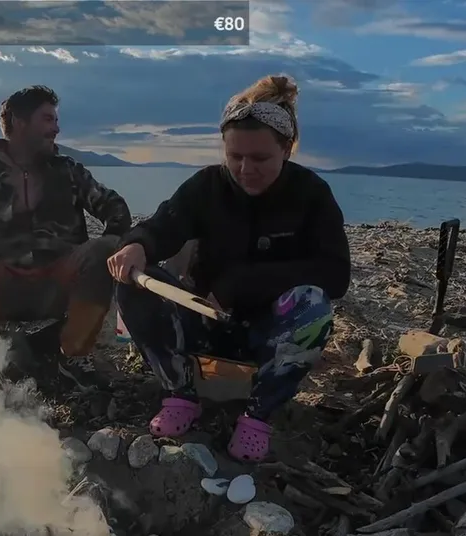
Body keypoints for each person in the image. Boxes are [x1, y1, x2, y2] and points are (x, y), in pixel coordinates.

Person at [106, 75, 350, 463]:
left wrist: (241, 284)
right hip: (203, 323)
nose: (245, 168)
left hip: (268, 333)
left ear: (286, 149)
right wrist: (137, 244)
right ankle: (180, 393)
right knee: (135, 282)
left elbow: (336, 273)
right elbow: (164, 226)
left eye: (260, 159)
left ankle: (258, 415)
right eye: (235, 156)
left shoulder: (311, 194)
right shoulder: (207, 185)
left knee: (313, 304)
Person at [0, 85, 133, 364]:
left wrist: (113, 249)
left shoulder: (68, 170)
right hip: (1, 285)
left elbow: (115, 208)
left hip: (59, 285)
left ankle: (73, 350)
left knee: (106, 247)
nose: (56, 129)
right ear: (19, 122)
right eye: (48, 119)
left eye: (56, 120)